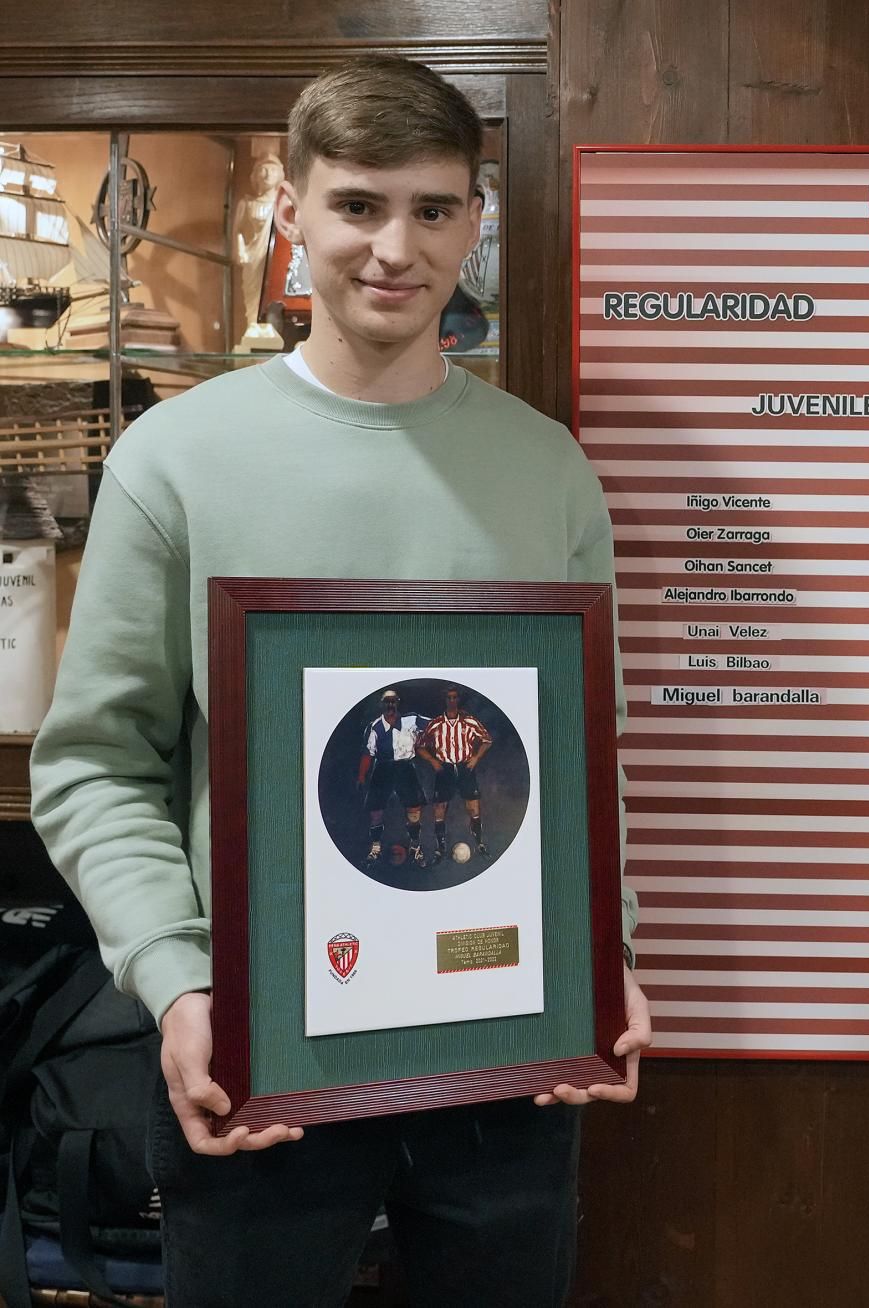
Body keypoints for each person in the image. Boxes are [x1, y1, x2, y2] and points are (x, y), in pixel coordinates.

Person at [30, 56, 649, 1308]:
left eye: (433, 209)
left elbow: (579, 757)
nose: (394, 247)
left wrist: (601, 952)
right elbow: (96, 761)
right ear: (292, 217)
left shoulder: (547, 471)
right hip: (258, 1050)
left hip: (507, 1050)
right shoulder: (176, 461)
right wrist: (180, 980)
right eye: (359, 205)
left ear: (473, 223)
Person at [357, 686, 433, 867]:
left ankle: (415, 848)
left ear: (398, 703)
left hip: (405, 767)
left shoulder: (411, 720)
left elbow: (436, 725)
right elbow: (368, 754)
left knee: (414, 809)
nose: (390, 705)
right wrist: (361, 776)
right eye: (387, 701)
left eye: (393, 701)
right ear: (382, 704)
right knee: (376, 811)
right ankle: (375, 848)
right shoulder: (374, 727)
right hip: (382, 769)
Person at [421, 683, 494, 862]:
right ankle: (440, 848)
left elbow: (487, 740)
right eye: (449, 698)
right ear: (445, 700)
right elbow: (420, 746)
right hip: (444, 768)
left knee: (473, 808)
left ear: (458, 699)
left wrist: (476, 758)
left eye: (455, 697)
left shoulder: (469, 721)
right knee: (440, 808)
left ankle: (480, 843)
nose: (452, 701)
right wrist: (433, 760)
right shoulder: (436, 724)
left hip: (464, 767)